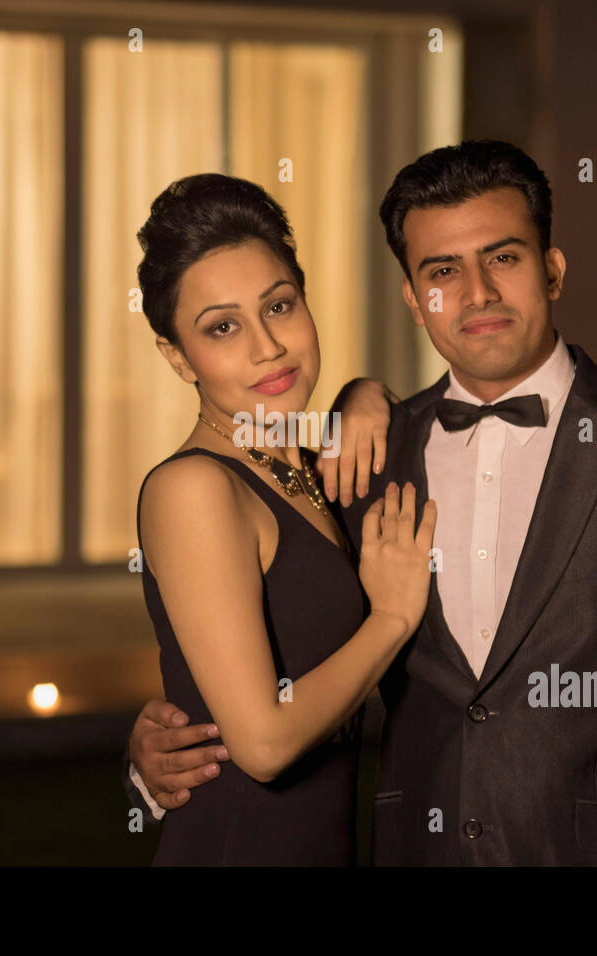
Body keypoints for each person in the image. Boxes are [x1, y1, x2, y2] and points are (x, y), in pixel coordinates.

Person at [126, 141, 597, 866]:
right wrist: (150, 762)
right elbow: (246, 690)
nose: (477, 293)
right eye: (444, 272)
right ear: (415, 301)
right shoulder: (367, 461)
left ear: (551, 270)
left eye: (505, 258)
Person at [130, 173, 437, 865]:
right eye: (222, 327)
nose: (267, 347)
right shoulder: (194, 489)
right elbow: (263, 746)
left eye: (280, 306)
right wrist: (390, 618)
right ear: (178, 356)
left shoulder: (308, 464)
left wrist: (366, 392)